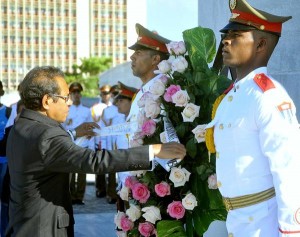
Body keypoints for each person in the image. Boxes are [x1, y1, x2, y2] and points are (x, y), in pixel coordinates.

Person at [6, 66, 186, 237]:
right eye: (65, 97)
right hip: (44, 229)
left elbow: (44, 149)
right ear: (47, 101)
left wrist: (75, 132)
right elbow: (94, 161)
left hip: (23, 223)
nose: (69, 102)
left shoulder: (21, 126)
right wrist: (151, 151)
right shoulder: (47, 135)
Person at [208, 0, 299, 236]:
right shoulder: (231, 97)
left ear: (260, 44)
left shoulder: (268, 96)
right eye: (226, 34)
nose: (226, 40)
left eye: (237, 35)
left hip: (263, 223)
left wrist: (291, 230)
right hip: (237, 220)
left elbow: (289, 168)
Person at [62, 82, 95, 205]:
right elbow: (62, 127)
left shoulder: (87, 111)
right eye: (74, 93)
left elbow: (91, 128)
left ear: (80, 95)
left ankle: (79, 197)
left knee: (81, 173)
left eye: (78, 92)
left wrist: (91, 145)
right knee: (70, 174)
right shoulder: (66, 110)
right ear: (70, 95)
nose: (76, 95)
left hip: (83, 144)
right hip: (70, 145)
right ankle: (70, 196)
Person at [95, 84, 125, 204]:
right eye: (114, 94)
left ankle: (123, 192)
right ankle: (111, 194)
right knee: (111, 170)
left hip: (122, 142)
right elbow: (103, 129)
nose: (116, 96)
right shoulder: (106, 111)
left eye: (118, 94)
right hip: (110, 143)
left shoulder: (124, 108)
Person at [114, 81, 139, 211]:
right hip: (123, 183)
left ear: (132, 101)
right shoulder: (123, 122)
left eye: (121, 100)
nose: (117, 103)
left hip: (134, 184)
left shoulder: (138, 124)